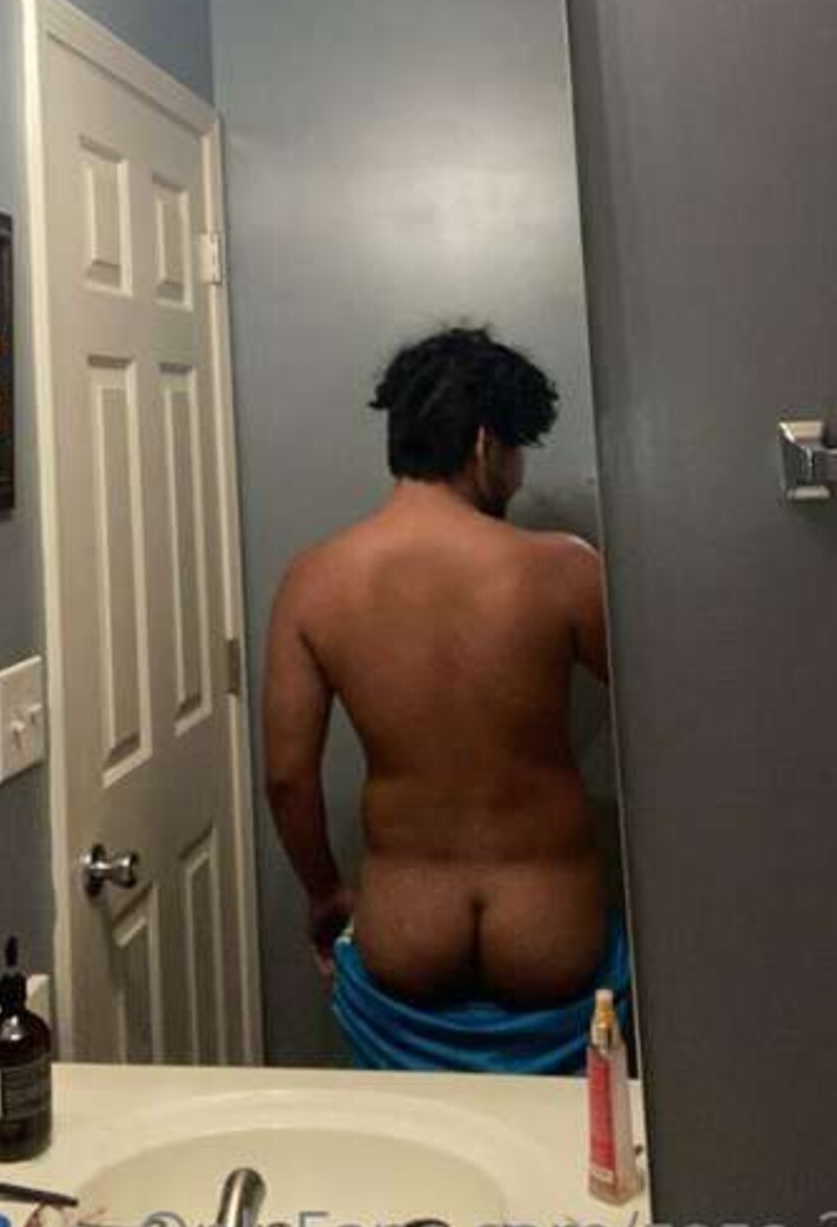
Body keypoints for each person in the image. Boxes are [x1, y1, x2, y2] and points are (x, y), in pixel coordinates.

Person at [264, 325, 627, 1071]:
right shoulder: (563, 570)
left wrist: (326, 892)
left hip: (407, 929)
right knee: (570, 1144)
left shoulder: (315, 580)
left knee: (411, 1145)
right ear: (485, 444)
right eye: (518, 451)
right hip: (549, 926)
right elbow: (674, 715)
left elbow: (288, 778)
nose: (518, 475)